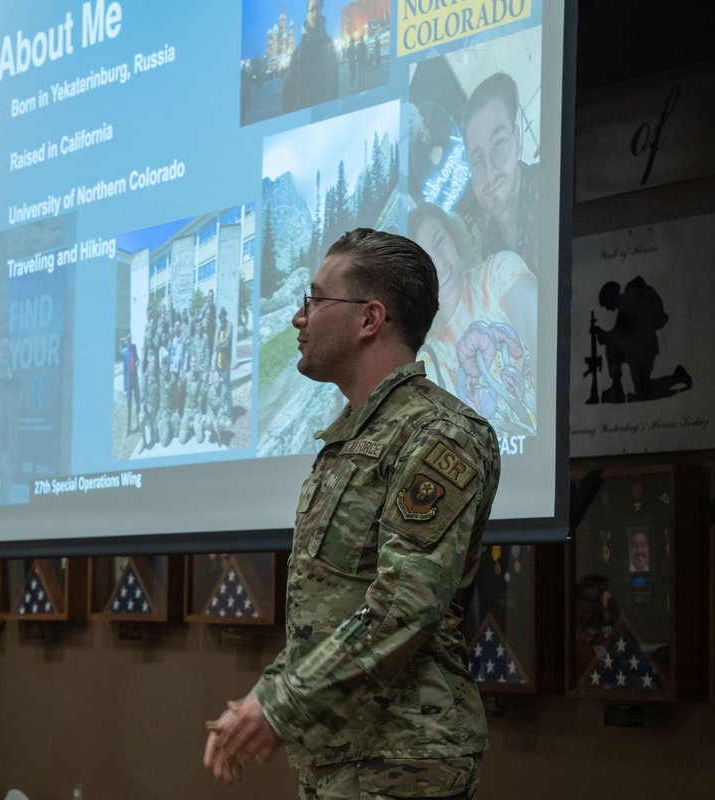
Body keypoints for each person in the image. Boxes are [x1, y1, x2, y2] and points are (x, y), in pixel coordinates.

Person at [203, 228, 501, 798]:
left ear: (369, 319)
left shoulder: (439, 436)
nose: (298, 317)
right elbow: (335, 604)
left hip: (404, 760)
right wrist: (268, 697)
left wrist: (282, 704)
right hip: (342, 753)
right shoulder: (349, 439)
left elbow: (403, 607)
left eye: (314, 299)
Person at [409, 203, 537, 437]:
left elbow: (536, 319)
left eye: (439, 241)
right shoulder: (422, 358)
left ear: (453, 236)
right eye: (423, 259)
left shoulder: (497, 273)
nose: (437, 263)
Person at [462, 72, 539, 273]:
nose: (490, 175)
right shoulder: (489, 254)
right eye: (477, 160)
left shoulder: (554, 192)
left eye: (498, 144)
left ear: (516, 139)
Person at [593, 276, 691, 403]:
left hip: (641, 351)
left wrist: (604, 335)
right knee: (644, 390)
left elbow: (625, 334)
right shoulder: (626, 304)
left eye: (606, 304)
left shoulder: (627, 302)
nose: (606, 308)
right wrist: (605, 335)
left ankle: (617, 386)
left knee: (644, 392)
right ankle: (676, 377)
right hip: (640, 350)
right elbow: (621, 333)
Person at [282, 0, 339, 114]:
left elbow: (333, 83)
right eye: (311, 9)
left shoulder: (328, 43)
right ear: (307, 13)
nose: (314, 13)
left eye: (318, 9)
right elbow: (287, 91)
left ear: (321, 10)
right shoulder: (298, 52)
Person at [120, 333, 140, 433]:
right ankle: (128, 428)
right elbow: (124, 371)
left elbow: (137, 359)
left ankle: (139, 424)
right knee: (129, 406)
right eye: (128, 338)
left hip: (135, 380)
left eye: (130, 338)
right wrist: (124, 388)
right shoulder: (124, 352)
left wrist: (137, 362)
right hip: (128, 382)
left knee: (138, 404)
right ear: (126, 340)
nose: (129, 339)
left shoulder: (134, 348)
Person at [214, 308, 233, 389]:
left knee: (227, 388)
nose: (222, 319)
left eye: (223, 317)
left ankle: (229, 402)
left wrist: (218, 344)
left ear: (225, 316)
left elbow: (226, 343)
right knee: (218, 387)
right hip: (218, 363)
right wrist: (218, 344)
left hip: (225, 364)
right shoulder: (220, 328)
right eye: (220, 318)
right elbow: (215, 342)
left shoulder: (229, 326)